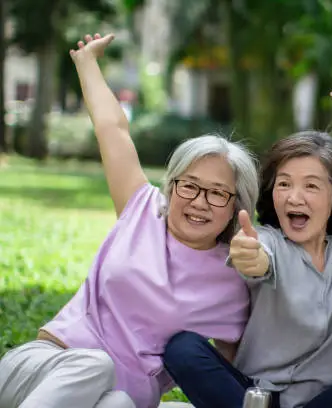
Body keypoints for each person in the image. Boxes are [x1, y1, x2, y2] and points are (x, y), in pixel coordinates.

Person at [0, 33, 259, 408]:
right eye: (189, 186)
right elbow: (112, 129)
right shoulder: (141, 210)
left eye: (217, 192)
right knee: (95, 366)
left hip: (118, 402)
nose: (199, 202)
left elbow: (228, 375)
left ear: (237, 206)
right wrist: (87, 63)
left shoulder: (231, 282)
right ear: (171, 185)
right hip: (45, 369)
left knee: (120, 402)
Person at [162, 86, 332, 408]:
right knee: (183, 348)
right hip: (254, 397)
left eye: (311, 185)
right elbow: (258, 260)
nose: (293, 197)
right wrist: (250, 257)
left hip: (325, 399)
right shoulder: (266, 239)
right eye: (284, 184)